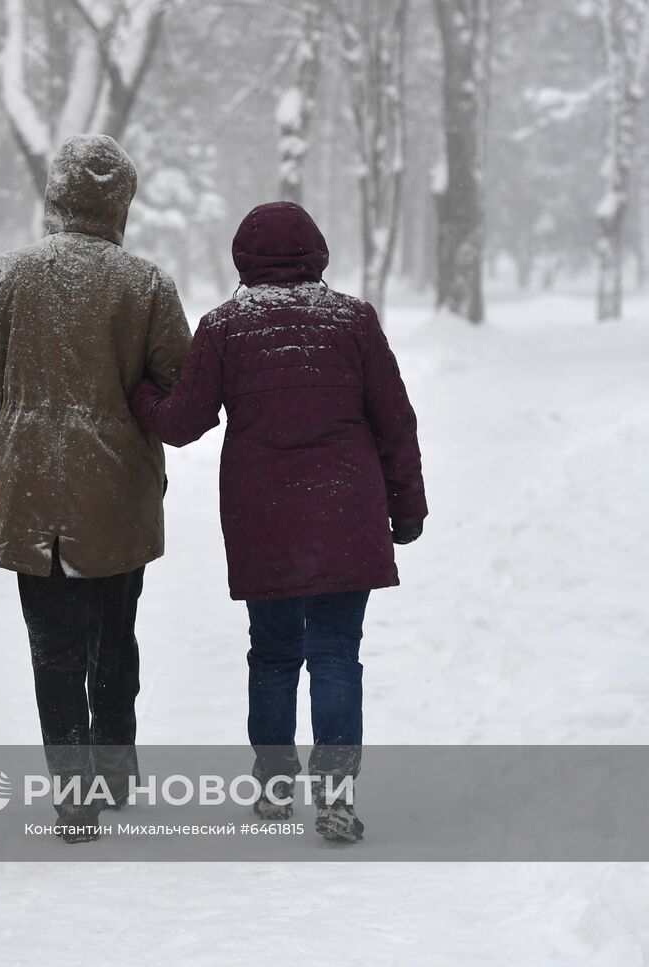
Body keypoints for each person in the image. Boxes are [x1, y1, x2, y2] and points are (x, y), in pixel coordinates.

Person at [129, 201, 427, 843]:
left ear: (244, 259)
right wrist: (407, 508)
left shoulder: (225, 326)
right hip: (347, 506)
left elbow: (183, 423)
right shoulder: (353, 320)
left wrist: (140, 395)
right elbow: (394, 421)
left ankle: (272, 786)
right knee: (336, 654)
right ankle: (336, 797)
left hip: (262, 514)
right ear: (316, 252)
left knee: (272, 654)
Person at [0, 135, 192, 843]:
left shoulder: (3, 276)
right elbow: (178, 385)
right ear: (121, 200)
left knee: (53, 644)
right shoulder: (146, 284)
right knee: (114, 634)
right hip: (120, 494)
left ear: (55, 195)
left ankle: (74, 790)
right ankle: (117, 763)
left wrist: (14, 449)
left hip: (33, 491)